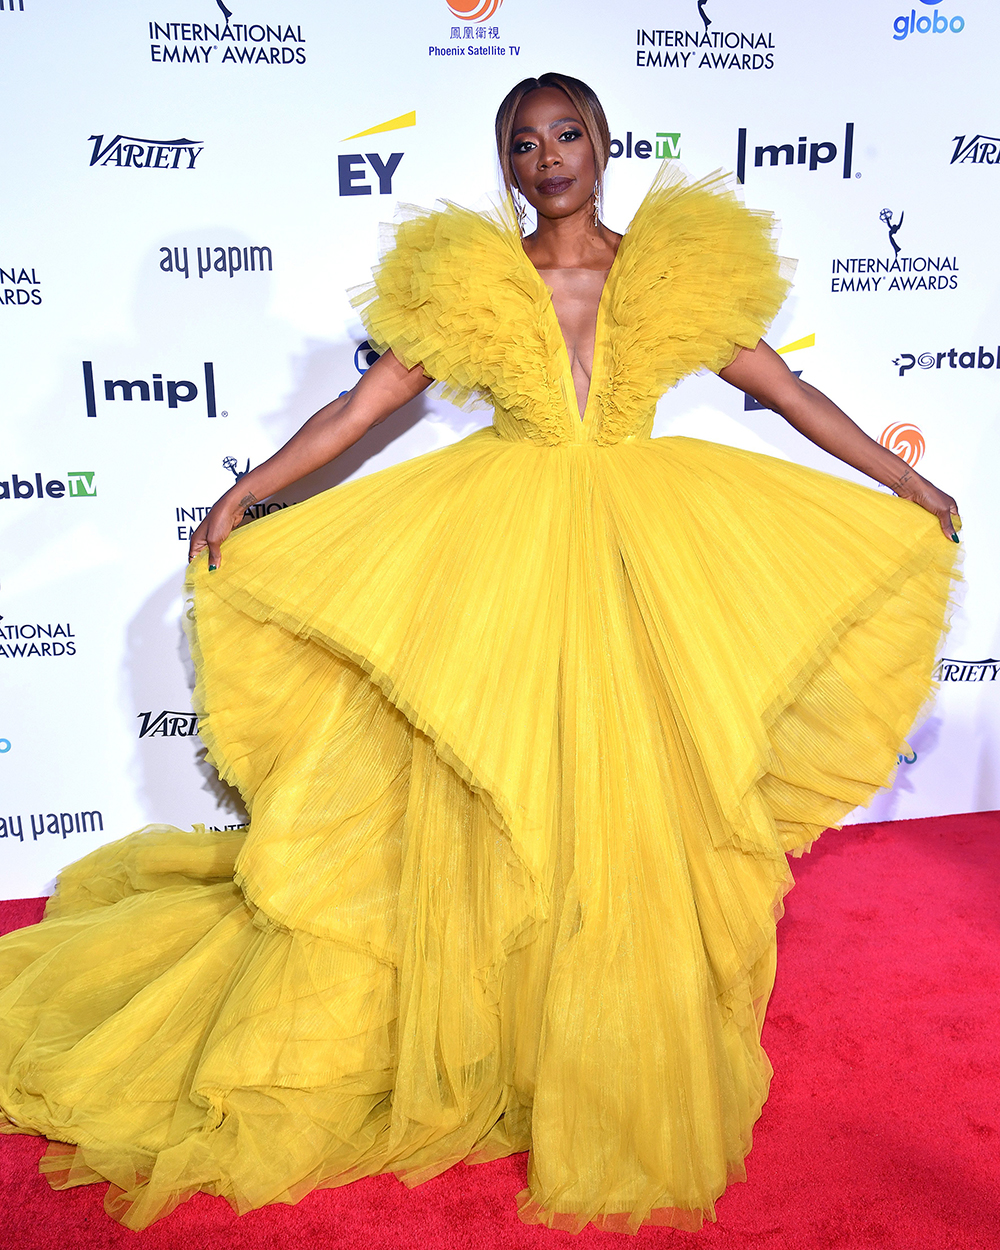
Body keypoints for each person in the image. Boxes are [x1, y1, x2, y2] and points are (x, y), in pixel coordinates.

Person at [0, 73, 958, 1234]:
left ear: (605, 145)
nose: (548, 154)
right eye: (523, 140)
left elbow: (788, 389)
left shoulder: (673, 267)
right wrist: (248, 491)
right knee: (507, 807)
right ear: (503, 163)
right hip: (505, 561)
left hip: (644, 560)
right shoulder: (474, 281)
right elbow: (364, 412)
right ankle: (506, 1036)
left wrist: (902, 476)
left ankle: (605, 1037)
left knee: (633, 807)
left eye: (566, 133)